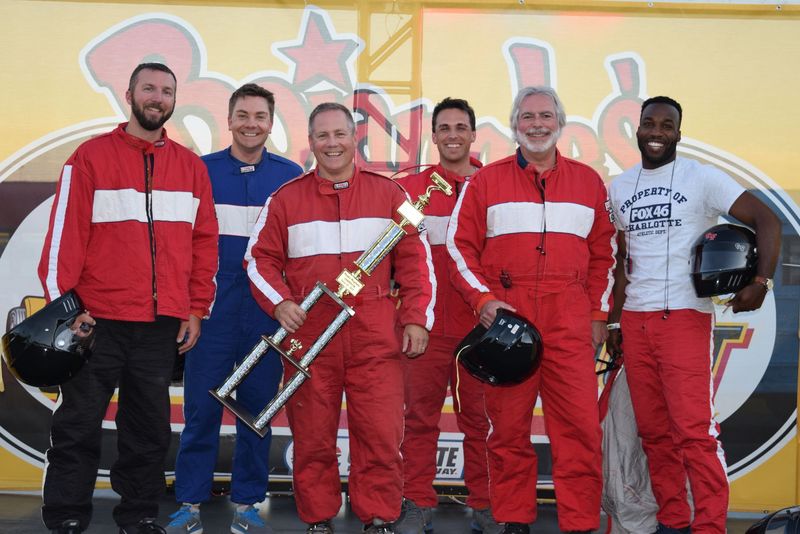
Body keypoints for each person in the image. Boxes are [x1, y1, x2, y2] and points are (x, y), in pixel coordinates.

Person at [37, 63, 219, 534]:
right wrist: (69, 310)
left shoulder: (191, 167)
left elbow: (204, 244)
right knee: (77, 426)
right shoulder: (90, 158)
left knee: (149, 433)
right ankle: (66, 518)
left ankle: (138, 516)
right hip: (96, 323)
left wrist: (196, 308)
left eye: (166, 91)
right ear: (130, 95)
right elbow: (63, 240)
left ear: (174, 100)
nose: (157, 97)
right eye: (149, 89)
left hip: (159, 326)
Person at [246, 102, 434, 534]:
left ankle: (380, 514)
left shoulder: (392, 195)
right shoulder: (286, 198)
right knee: (312, 435)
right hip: (309, 333)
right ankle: (318, 517)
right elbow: (258, 259)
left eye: (340, 134)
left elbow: (417, 262)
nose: (332, 144)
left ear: (355, 139)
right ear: (310, 142)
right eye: (322, 136)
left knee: (381, 434)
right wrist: (279, 303)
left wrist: (416, 318)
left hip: (375, 332)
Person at [606, 96, 781, 534]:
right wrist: (613, 321)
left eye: (668, 125)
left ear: (679, 134)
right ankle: (673, 521)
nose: (658, 132)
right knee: (654, 434)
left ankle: (710, 527)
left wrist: (760, 283)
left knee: (694, 433)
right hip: (635, 321)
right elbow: (621, 260)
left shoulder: (700, 178)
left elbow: (767, 220)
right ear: (638, 130)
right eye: (650, 123)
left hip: (684, 317)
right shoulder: (619, 187)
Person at [446, 86, 616, 534]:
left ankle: (579, 523)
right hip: (508, 319)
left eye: (545, 115)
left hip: (570, 320)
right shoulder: (485, 181)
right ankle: (513, 520)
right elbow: (458, 247)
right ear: (514, 124)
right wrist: (483, 301)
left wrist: (597, 315)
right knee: (507, 432)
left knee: (579, 431)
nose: (536, 124)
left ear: (560, 122)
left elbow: (606, 255)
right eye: (527, 117)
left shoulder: (588, 182)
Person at [166, 84, 302, 534]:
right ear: (229, 119)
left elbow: (293, 252)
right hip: (212, 313)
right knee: (201, 412)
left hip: (265, 315)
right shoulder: (199, 171)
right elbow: (183, 247)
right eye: (242, 114)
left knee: (256, 413)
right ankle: (189, 502)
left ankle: (247, 503)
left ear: (271, 122)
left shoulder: (290, 175)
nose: (251, 123)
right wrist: (190, 306)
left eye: (260, 116)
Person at [392, 98, 500, 534]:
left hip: (481, 328)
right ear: (433, 136)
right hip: (426, 327)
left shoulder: (495, 184)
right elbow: (392, 250)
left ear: (474, 135)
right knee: (418, 419)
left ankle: (487, 504)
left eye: (461, 126)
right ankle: (417, 502)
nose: (453, 134)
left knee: (481, 421)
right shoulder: (410, 188)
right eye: (444, 127)